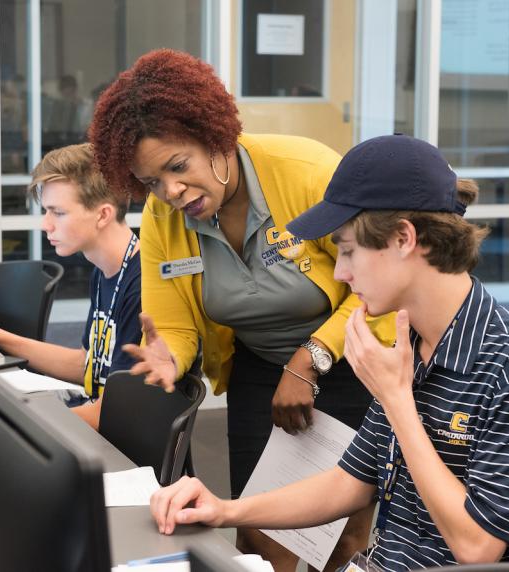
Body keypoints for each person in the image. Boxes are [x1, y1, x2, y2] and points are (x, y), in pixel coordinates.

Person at [149, 134, 509, 570]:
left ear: (404, 239)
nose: (339, 272)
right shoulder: (408, 342)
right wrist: (224, 510)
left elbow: (476, 549)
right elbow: (348, 482)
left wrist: (397, 402)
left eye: (349, 250)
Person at [89, 49, 395, 570]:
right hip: (257, 364)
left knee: (339, 536)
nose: (171, 191)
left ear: (216, 138)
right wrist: (171, 357)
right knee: (255, 530)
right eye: (152, 182)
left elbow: (377, 286)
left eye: (177, 167)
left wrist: (310, 358)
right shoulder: (164, 217)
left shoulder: (307, 172)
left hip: (351, 358)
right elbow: (175, 322)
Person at [0, 143, 142, 430]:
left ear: (102, 214)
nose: (45, 225)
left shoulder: (142, 286)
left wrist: (6, 423)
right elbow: (86, 365)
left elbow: (114, 414)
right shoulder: (105, 270)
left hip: (117, 446)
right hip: (93, 420)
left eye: (58, 213)